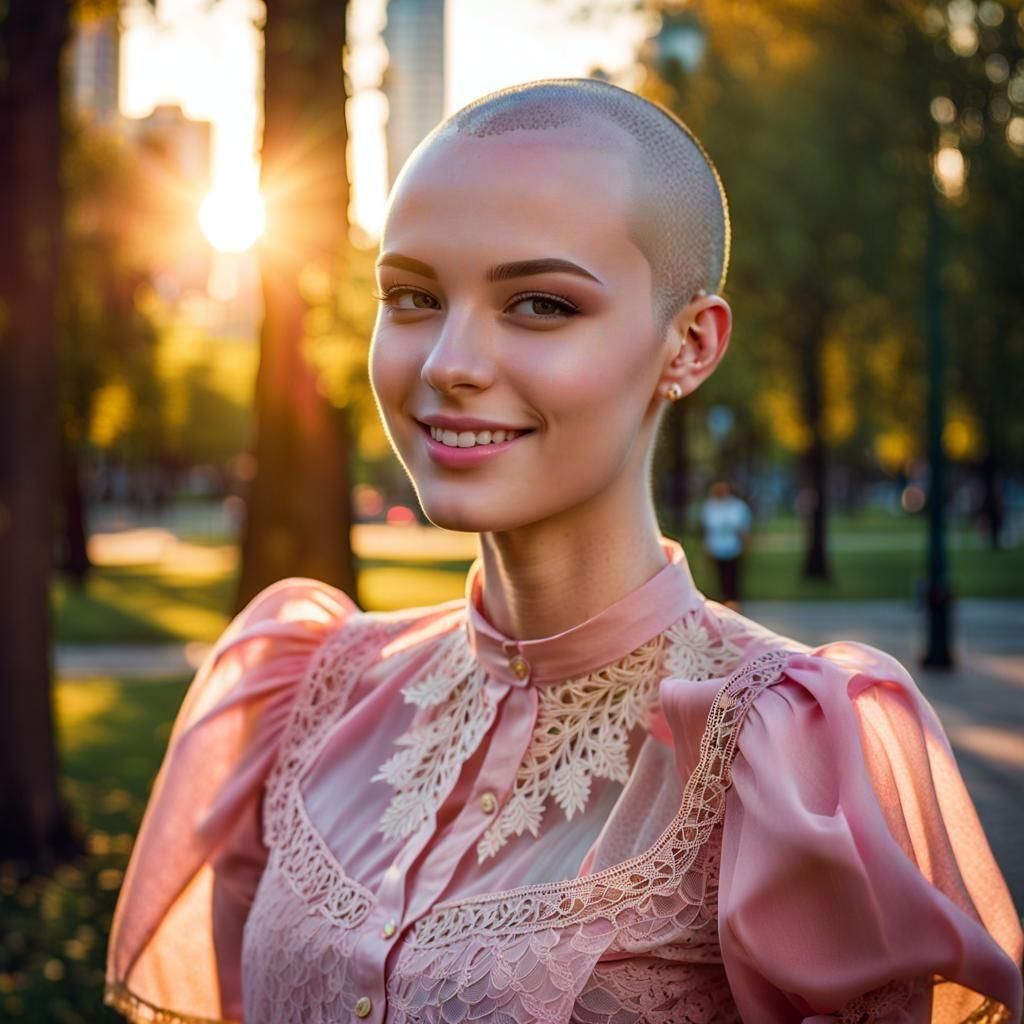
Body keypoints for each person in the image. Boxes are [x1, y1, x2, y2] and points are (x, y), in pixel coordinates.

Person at [105, 79, 1023, 1024]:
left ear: (690, 345)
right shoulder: (304, 693)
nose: (448, 363)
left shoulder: (782, 759)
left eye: (540, 304)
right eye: (412, 295)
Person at [700, 479, 752, 610]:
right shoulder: (709, 507)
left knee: (733, 577)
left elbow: (743, 529)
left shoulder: (737, 507)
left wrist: (746, 545)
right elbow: (706, 529)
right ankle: (722, 603)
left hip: (733, 548)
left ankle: (734, 603)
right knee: (719, 577)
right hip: (716, 547)